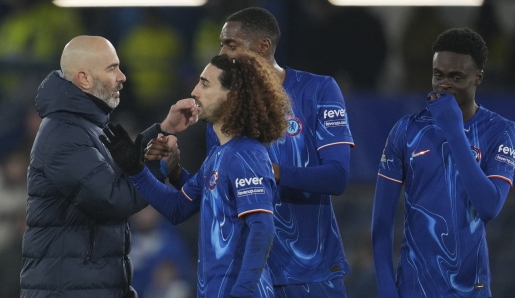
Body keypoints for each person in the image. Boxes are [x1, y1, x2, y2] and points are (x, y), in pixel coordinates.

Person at [144, 7, 354, 297]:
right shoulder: (224, 115)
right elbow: (217, 189)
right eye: (221, 44)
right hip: (254, 276)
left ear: (263, 46)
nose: (222, 52)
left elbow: (338, 177)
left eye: (231, 44)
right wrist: (177, 173)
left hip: (311, 268)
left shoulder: (319, 90)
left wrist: (269, 172)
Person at [99, 53, 291, 298]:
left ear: (232, 97)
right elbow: (177, 208)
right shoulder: (219, 155)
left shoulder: (247, 155)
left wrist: (240, 293)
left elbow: (262, 227)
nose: (195, 91)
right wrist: (136, 168)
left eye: (205, 83)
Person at [21, 35, 198, 298]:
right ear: (84, 79)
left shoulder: (84, 125)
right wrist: (157, 165)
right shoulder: (63, 133)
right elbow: (115, 197)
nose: (122, 76)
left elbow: (119, 170)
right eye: (112, 68)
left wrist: (162, 130)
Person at [371, 28, 515, 297]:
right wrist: (386, 288)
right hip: (414, 288)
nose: (443, 84)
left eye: (456, 77)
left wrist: (453, 130)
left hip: (471, 289)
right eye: (438, 75)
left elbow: (489, 207)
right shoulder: (406, 131)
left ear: (478, 78)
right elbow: (381, 224)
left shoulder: (501, 131)